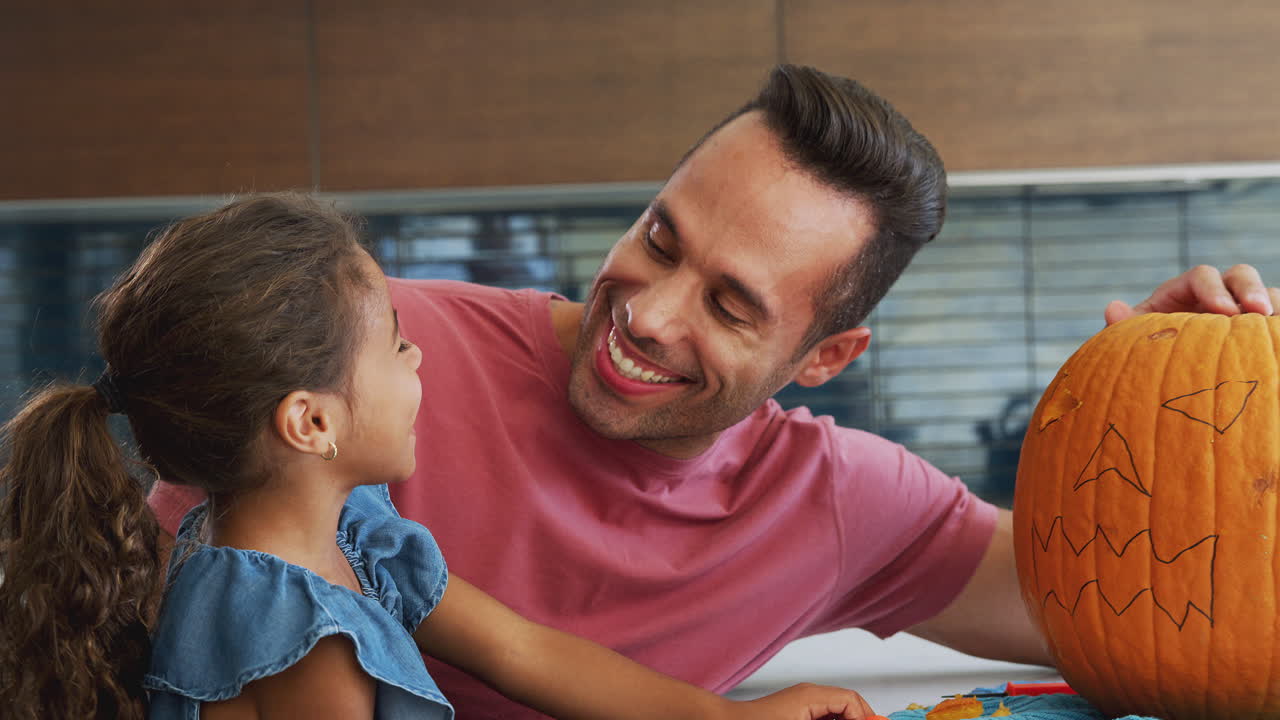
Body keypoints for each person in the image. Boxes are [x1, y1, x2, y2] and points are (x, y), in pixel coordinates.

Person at [148, 65, 1280, 719]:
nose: (646, 312)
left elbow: (1170, 607)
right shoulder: (367, 356)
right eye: (658, 238)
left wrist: (1186, 413)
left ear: (824, 360)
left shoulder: (842, 503)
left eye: (731, 306)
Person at [0, 194, 881, 719]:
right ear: (310, 424)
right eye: (394, 345)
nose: (421, 358)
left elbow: (527, 652)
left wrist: (733, 718)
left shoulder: (354, 536)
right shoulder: (297, 636)